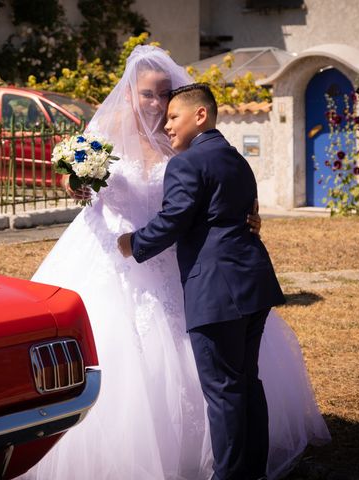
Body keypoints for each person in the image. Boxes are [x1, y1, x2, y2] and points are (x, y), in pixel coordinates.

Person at [19, 46, 329, 480]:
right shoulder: (105, 136)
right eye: (148, 94)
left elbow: (220, 185)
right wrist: (79, 184)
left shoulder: (182, 138)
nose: (158, 104)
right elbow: (87, 186)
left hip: (183, 260)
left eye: (165, 94)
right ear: (129, 95)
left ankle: (232, 464)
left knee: (223, 374)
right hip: (118, 256)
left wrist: (247, 213)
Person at [118, 83, 283, 479]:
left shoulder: (186, 163)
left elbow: (174, 219)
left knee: (224, 391)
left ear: (201, 116)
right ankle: (254, 472)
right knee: (247, 382)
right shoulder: (236, 158)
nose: (167, 125)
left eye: (174, 117)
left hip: (216, 290)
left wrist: (133, 243)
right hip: (253, 283)